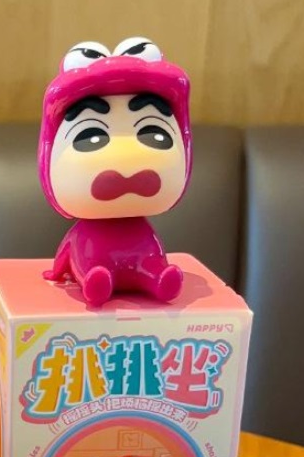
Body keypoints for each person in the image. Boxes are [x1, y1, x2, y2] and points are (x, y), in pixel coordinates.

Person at [38, 37, 192, 306]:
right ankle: (94, 279)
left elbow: (64, 251)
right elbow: (68, 249)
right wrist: (57, 270)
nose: (125, 157)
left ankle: (158, 278)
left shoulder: (144, 232)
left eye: (153, 133)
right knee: (89, 266)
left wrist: (56, 270)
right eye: (91, 136)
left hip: (143, 251)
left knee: (151, 264)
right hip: (91, 256)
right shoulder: (82, 233)